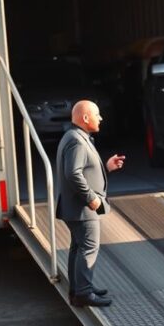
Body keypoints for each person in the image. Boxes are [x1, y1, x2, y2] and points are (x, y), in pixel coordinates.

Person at [55, 100, 125, 308]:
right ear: (85, 118)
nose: (100, 118)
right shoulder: (76, 140)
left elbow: (83, 171)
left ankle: (78, 289)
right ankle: (83, 293)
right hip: (82, 209)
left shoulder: (75, 136)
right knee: (88, 248)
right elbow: (73, 174)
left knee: (78, 247)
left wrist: (106, 168)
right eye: (97, 114)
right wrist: (91, 198)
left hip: (76, 208)